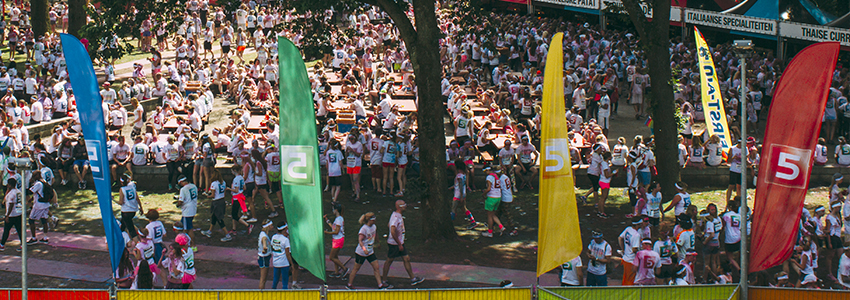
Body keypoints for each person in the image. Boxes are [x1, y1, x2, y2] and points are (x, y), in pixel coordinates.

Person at [381, 200, 425, 286]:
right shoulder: (395, 217)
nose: (405, 206)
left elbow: (389, 225)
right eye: (403, 205)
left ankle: (413, 279)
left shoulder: (398, 216)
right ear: (399, 207)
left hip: (400, 242)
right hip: (395, 244)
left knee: (406, 259)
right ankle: (384, 280)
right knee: (389, 261)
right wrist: (399, 243)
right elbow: (392, 230)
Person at [347, 212, 391, 289]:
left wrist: (378, 242)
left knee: (376, 267)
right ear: (369, 220)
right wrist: (364, 249)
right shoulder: (363, 229)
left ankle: (380, 284)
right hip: (361, 253)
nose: (375, 221)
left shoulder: (374, 226)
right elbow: (360, 240)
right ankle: (349, 284)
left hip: (370, 252)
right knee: (356, 268)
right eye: (373, 220)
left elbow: (375, 234)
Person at [201, 170, 232, 242]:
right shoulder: (223, 182)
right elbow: (224, 194)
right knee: (214, 217)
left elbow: (212, 195)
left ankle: (227, 235)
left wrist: (207, 196)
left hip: (216, 202)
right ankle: (209, 231)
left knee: (219, 219)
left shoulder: (214, 184)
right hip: (222, 201)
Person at [27, 172, 53, 244]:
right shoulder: (44, 181)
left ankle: (33, 238)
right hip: (45, 204)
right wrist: (31, 199)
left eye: (33, 176)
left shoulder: (38, 184)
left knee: (31, 220)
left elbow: (30, 191)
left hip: (38, 206)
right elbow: (38, 193)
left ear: (36, 176)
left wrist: (30, 183)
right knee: (44, 220)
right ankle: (45, 238)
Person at [325, 202, 349, 278]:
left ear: (336, 210)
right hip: (337, 239)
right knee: (335, 256)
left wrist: (327, 232)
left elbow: (336, 231)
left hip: (338, 240)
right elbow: (334, 227)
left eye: (333, 209)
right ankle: (336, 271)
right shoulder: (339, 219)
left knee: (331, 257)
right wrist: (327, 220)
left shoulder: (339, 219)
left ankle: (344, 269)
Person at [450, 159, 475, 228]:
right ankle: (472, 220)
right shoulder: (463, 175)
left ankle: (451, 223)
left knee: (453, 209)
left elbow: (460, 185)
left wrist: (460, 196)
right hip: (463, 193)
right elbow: (458, 184)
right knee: (463, 208)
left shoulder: (459, 176)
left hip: (458, 195)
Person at [117, 173, 143, 240]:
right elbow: (137, 198)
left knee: (131, 229)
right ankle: (120, 238)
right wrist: (141, 208)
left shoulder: (122, 189)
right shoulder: (132, 187)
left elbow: (121, 202)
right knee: (123, 225)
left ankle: (138, 243)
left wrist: (113, 199)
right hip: (133, 210)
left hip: (126, 211)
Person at [619, 217, 644, 285]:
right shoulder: (636, 235)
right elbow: (634, 249)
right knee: (631, 280)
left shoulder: (628, 229)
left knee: (625, 279)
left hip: (625, 258)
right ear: (638, 224)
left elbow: (620, 238)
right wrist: (641, 250)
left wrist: (623, 249)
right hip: (632, 261)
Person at [176, 176, 198, 251]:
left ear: (181, 182)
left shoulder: (183, 189)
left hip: (187, 211)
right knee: (187, 227)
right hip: (193, 208)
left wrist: (177, 204)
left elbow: (181, 201)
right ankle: (186, 243)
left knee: (187, 229)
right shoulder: (193, 186)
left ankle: (191, 245)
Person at [482, 166, 505, 237]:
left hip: (491, 197)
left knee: (489, 215)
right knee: (493, 214)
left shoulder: (489, 177)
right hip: (498, 196)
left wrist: (484, 194)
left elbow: (489, 188)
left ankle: (490, 232)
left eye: (485, 171)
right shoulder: (496, 176)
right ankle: (501, 227)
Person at [270, 222, 292, 289]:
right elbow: (287, 253)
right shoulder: (285, 240)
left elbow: (272, 247)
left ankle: (272, 294)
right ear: (284, 229)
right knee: (285, 282)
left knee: (275, 280)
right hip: (284, 263)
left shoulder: (274, 237)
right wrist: (291, 263)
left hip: (276, 262)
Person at [722, 199, 742, 271]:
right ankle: (736, 265)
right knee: (738, 253)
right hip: (738, 236)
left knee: (729, 256)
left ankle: (738, 269)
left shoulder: (726, 215)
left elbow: (723, 226)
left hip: (730, 238)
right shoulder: (739, 216)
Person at [257, 220, 273, 289]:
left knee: (263, 278)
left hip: (264, 258)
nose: (272, 227)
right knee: (263, 279)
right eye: (271, 225)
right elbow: (265, 245)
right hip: (264, 258)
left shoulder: (262, 233)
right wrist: (265, 249)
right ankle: (261, 293)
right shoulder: (264, 237)